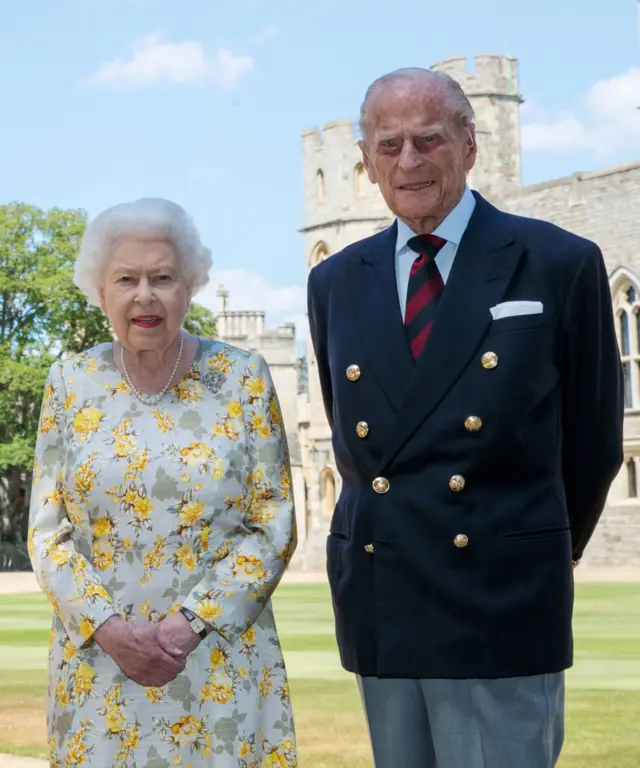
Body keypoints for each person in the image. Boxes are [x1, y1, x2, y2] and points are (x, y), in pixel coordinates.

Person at [306, 68, 624, 768]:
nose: (409, 162)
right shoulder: (335, 280)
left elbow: (596, 442)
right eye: (389, 146)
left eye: (429, 139)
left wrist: (527, 548)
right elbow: (357, 438)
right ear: (366, 160)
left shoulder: (557, 262)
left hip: (501, 597)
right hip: (384, 599)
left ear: (470, 145)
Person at [28, 197, 298, 767]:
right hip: (100, 669)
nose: (145, 295)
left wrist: (189, 624)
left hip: (218, 663)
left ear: (190, 287)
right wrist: (110, 631)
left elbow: (273, 523)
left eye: (163, 277)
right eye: (126, 278)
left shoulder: (243, 378)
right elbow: (48, 532)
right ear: (100, 291)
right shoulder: (69, 382)